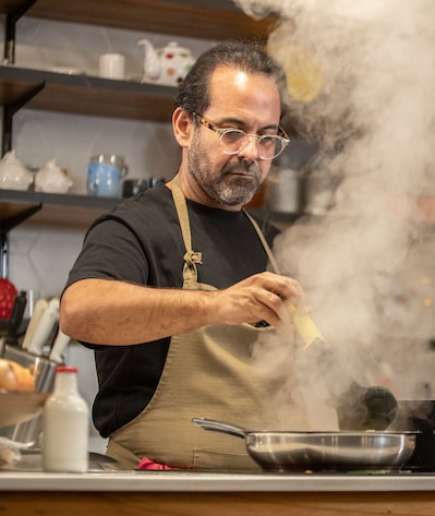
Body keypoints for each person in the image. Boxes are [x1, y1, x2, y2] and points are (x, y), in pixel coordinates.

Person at [59, 41, 307, 470]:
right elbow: (80, 313)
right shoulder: (136, 226)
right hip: (157, 491)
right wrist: (215, 305)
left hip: (266, 491)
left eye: (267, 137)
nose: (251, 152)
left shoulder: (278, 247)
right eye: (232, 131)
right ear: (184, 126)